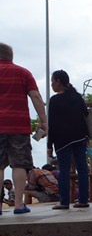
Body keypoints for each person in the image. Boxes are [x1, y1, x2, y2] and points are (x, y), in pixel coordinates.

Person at [0, 42, 48, 214]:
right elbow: (35, 96)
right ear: (10, 57)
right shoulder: (23, 73)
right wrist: (43, 121)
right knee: (19, 164)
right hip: (18, 125)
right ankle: (19, 205)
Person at [47, 70, 90, 209]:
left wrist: (49, 145)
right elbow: (86, 114)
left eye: (53, 81)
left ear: (58, 81)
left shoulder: (54, 100)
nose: (52, 84)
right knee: (82, 168)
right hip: (80, 137)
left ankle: (64, 202)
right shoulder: (77, 97)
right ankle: (83, 200)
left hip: (62, 140)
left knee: (64, 171)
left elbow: (52, 124)